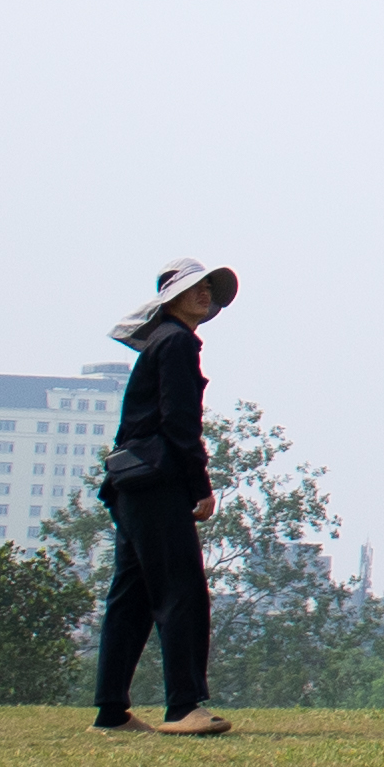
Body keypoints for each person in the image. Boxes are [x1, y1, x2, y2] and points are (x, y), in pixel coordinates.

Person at [90, 262, 239, 735]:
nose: (204, 293)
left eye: (207, 287)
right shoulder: (175, 343)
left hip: (131, 484)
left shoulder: (162, 343)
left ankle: (111, 711)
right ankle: (182, 706)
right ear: (170, 298)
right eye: (194, 287)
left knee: (131, 597)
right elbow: (180, 423)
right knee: (182, 591)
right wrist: (199, 485)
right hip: (158, 484)